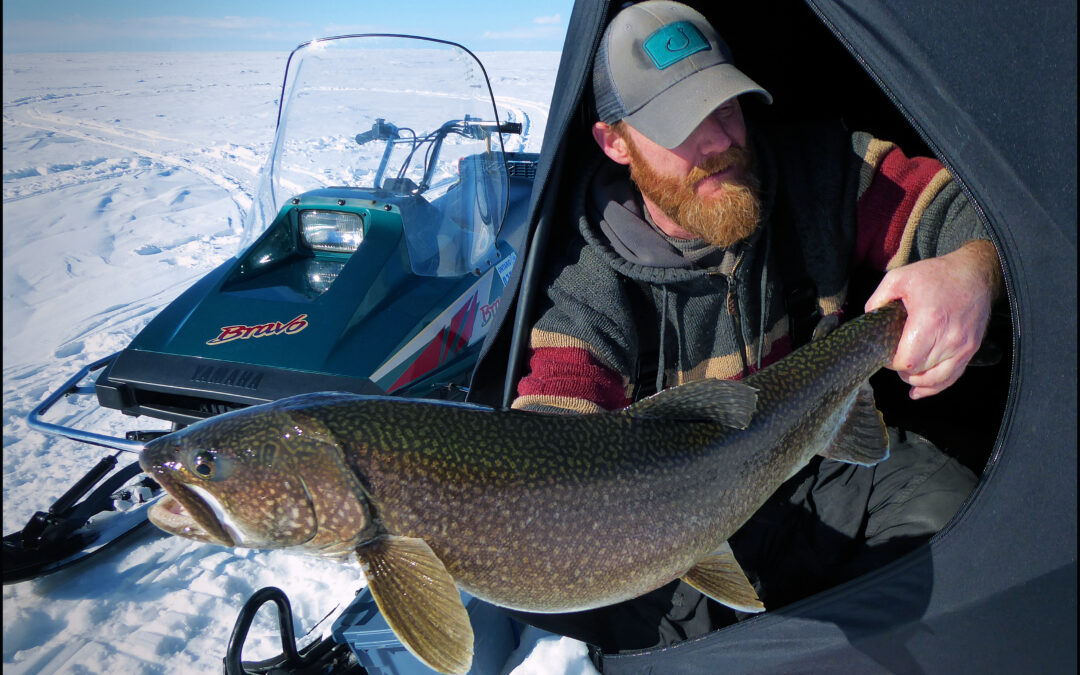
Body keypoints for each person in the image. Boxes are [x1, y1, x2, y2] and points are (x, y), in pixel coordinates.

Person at [506, 0, 1001, 656]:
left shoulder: (819, 172)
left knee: (970, 533)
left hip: (811, 463)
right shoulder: (583, 286)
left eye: (726, 107)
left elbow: (975, 207)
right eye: (681, 125)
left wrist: (972, 270)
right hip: (670, 528)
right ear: (614, 142)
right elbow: (550, 428)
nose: (718, 142)